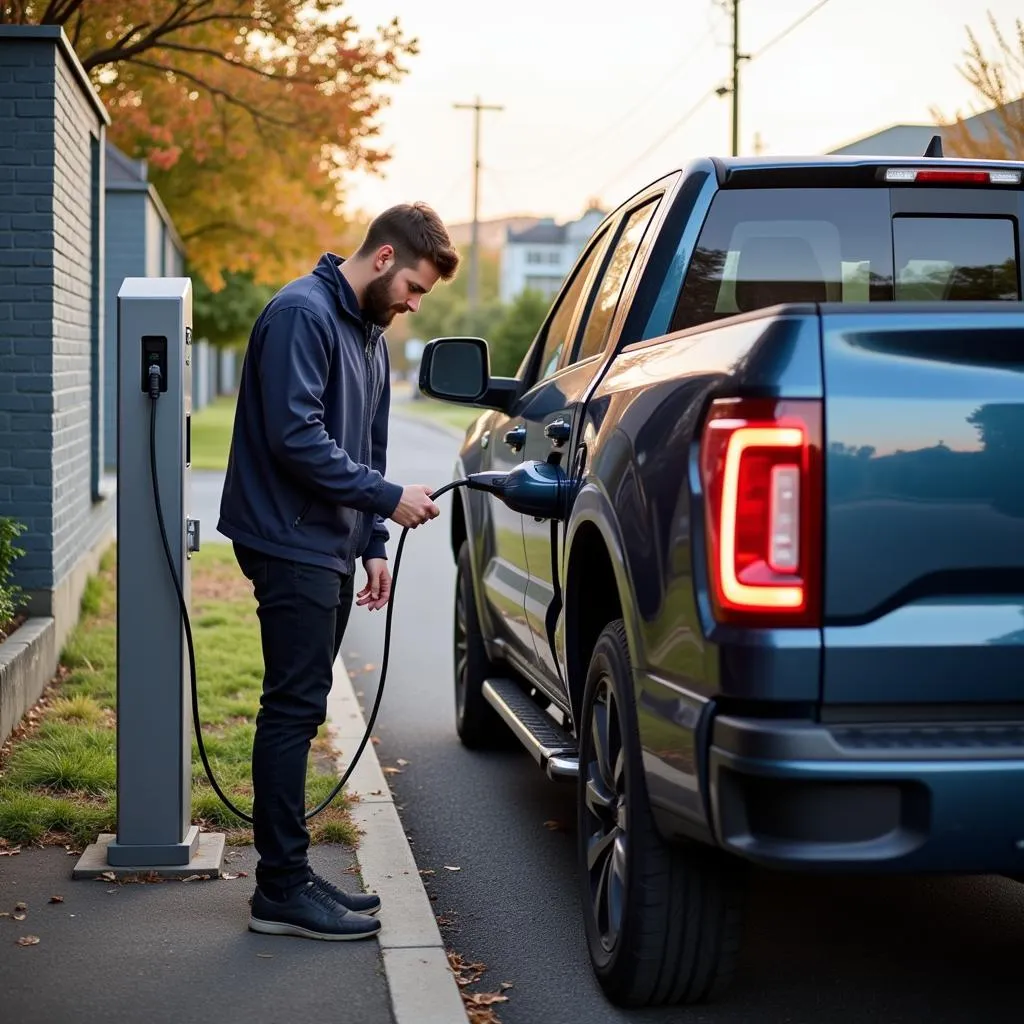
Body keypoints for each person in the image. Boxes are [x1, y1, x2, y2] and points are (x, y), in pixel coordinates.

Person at [217, 203, 459, 941]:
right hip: (286, 540)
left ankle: (288, 877)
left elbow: (368, 447)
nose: (415, 304)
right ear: (383, 258)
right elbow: (297, 437)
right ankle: (280, 890)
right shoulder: (301, 313)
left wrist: (374, 541)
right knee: (291, 710)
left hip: (327, 542)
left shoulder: (367, 337)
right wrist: (387, 500)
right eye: (414, 287)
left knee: (303, 707)